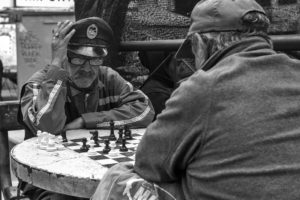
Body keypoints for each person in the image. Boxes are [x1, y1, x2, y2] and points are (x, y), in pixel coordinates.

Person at [91, 0, 300, 199]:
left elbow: (147, 163)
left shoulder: (204, 86)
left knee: (117, 177)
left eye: (192, 51)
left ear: (200, 43)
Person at [18, 17, 154, 200]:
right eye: (78, 59)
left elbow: (144, 110)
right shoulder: (38, 83)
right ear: (63, 57)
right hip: (48, 181)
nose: (88, 68)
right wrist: (56, 65)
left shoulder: (108, 78)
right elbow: (48, 127)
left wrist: (86, 120)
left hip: (98, 174)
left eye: (95, 59)